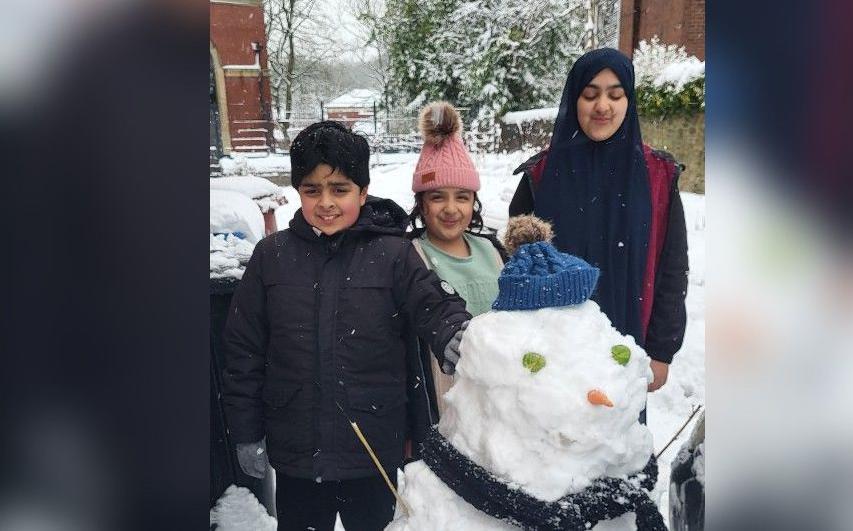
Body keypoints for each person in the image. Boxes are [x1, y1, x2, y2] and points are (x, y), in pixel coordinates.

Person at [221, 121, 471, 531]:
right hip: (297, 449)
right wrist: (246, 430)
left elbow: (433, 302)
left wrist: (454, 331)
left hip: (371, 443)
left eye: (340, 189)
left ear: (363, 192)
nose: (326, 203)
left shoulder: (393, 254)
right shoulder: (272, 257)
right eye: (311, 189)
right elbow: (243, 351)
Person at [508, 48, 689, 394]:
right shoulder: (541, 175)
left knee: (616, 441)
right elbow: (515, 267)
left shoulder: (658, 177)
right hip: (552, 356)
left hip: (627, 347)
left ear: (629, 100)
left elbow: (672, 267)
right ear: (574, 99)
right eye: (590, 94)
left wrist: (661, 350)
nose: (602, 106)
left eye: (615, 94)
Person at [405, 102, 507, 422]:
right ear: (422, 203)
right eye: (437, 196)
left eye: (462, 197)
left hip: (500, 403)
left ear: (473, 202)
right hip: (440, 408)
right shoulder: (408, 257)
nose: (451, 208)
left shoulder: (492, 250)